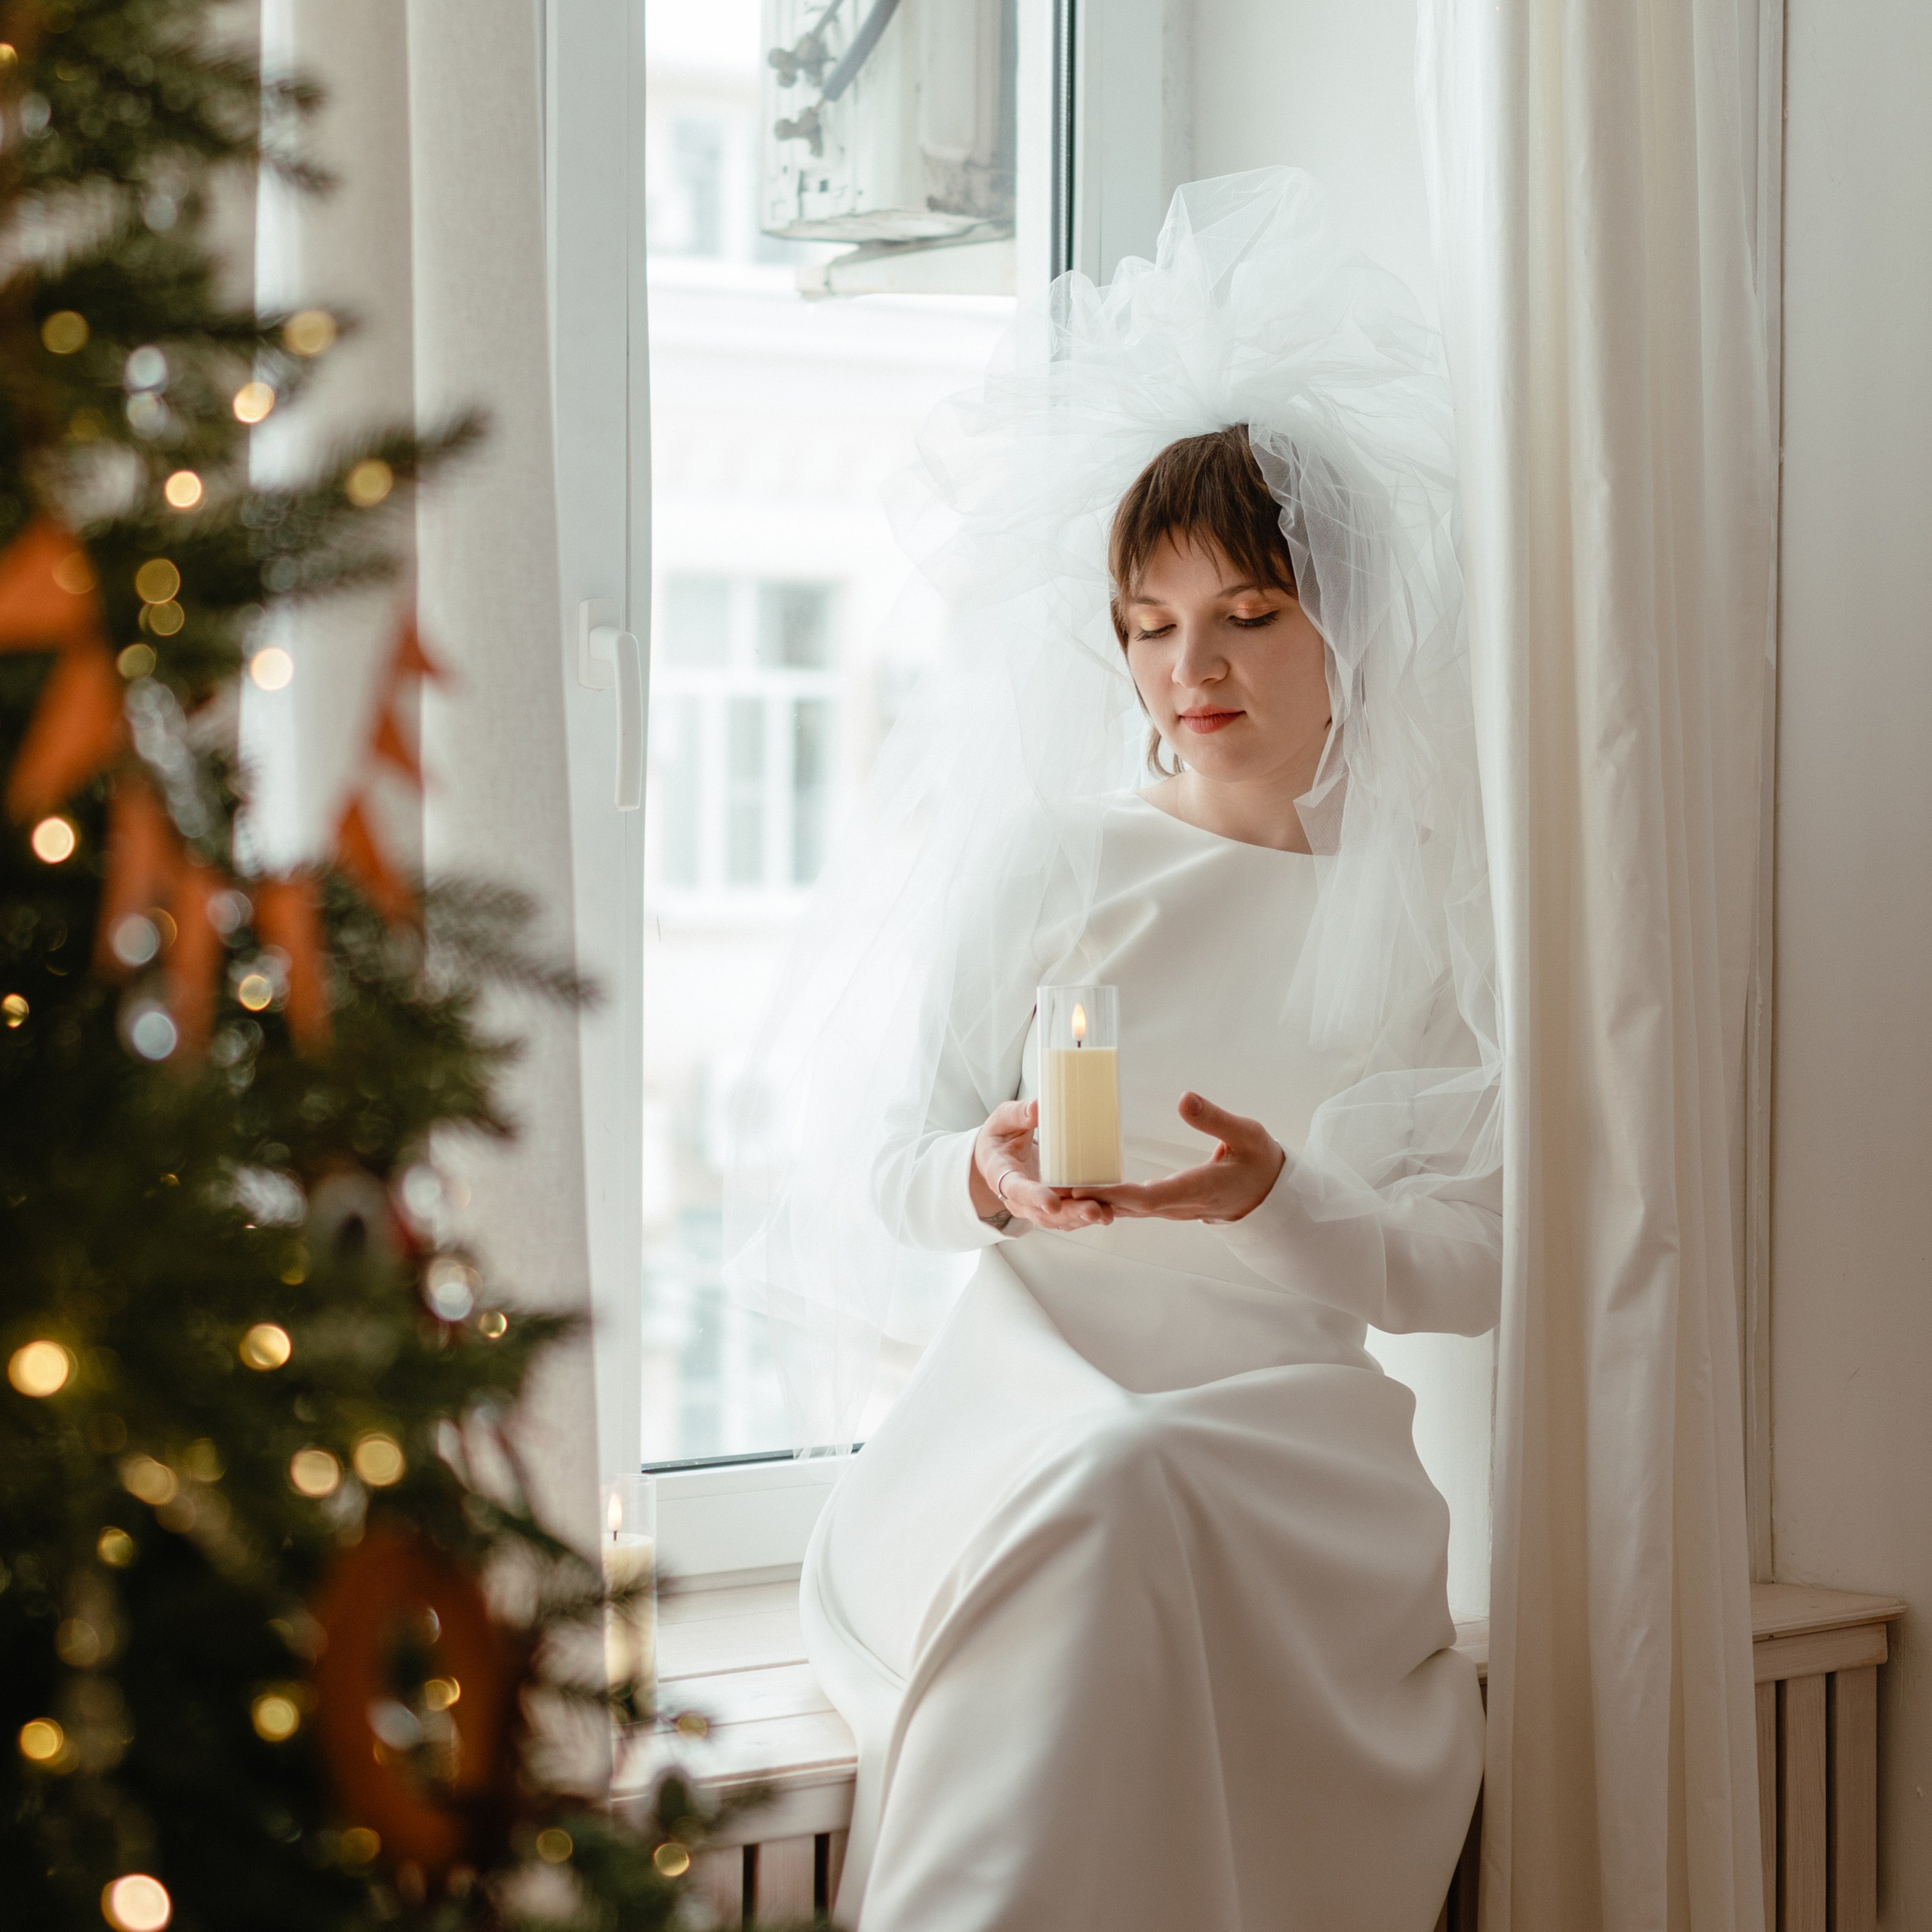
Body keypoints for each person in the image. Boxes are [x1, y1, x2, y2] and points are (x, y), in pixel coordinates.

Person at [729, 169, 1502, 1930]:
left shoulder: (1430, 906)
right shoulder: (1051, 862)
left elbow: (1473, 1263)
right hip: (1029, 1409)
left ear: (1344, 621)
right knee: (1108, 1478)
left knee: (1145, 1480)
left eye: (1245, 615)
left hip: (1287, 1451)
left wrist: (1278, 1202)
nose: (1188, 669)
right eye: (1148, 627)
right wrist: (984, 1179)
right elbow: (884, 1164)